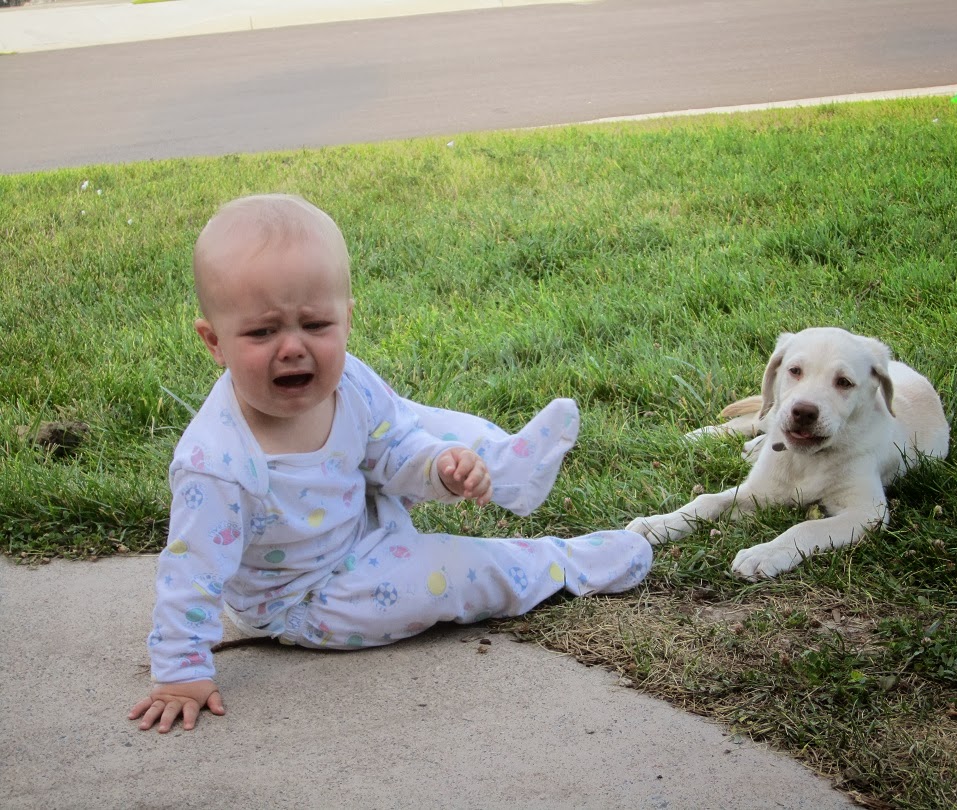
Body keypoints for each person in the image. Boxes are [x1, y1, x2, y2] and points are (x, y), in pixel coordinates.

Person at [128, 194, 652, 733]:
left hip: (359, 511)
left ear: (347, 319)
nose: (292, 348)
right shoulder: (217, 463)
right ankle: (565, 563)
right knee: (451, 573)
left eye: (316, 324)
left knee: (415, 423)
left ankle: (500, 465)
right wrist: (181, 672)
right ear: (214, 342)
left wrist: (438, 468)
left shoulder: (347, 381)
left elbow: (394, 443)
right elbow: (191, 572)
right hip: (315, 593)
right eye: (262, 332)